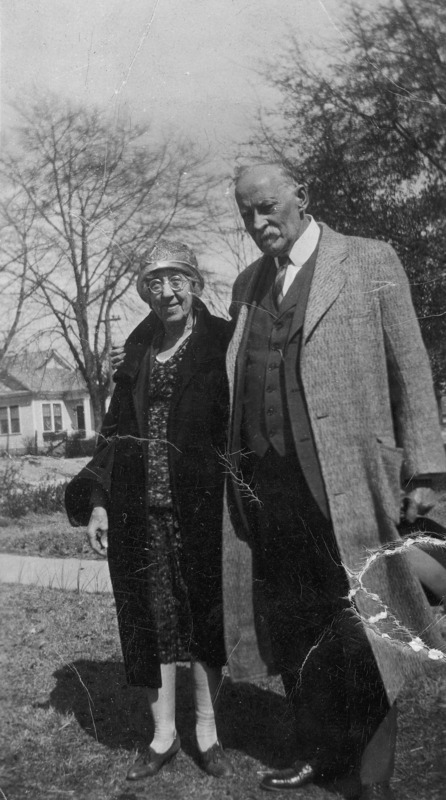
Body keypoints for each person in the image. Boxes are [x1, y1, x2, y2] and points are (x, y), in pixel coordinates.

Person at [221, 163, 446, 799]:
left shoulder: (371, 260)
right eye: (246, 214)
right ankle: (318, 753)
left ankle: (372, 774)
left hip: (350, 481)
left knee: (367, 629)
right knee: (298, 627)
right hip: (271, 491)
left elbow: (410, 362)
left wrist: (427, 471)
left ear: (302, 196)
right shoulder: (247, 284)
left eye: (267, 208)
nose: (258, 223)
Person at [65, 241, 233, 781]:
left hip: (205, 509)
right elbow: (113, 436)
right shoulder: (135, 356)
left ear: (196, 285)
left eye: (177, 279)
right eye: (155, 284)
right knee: (150, 620)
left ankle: (206, 732)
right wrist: (98, 504)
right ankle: (162, 736)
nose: (167, 292)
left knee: (206, 616)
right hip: (141, 513)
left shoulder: (223, 346)